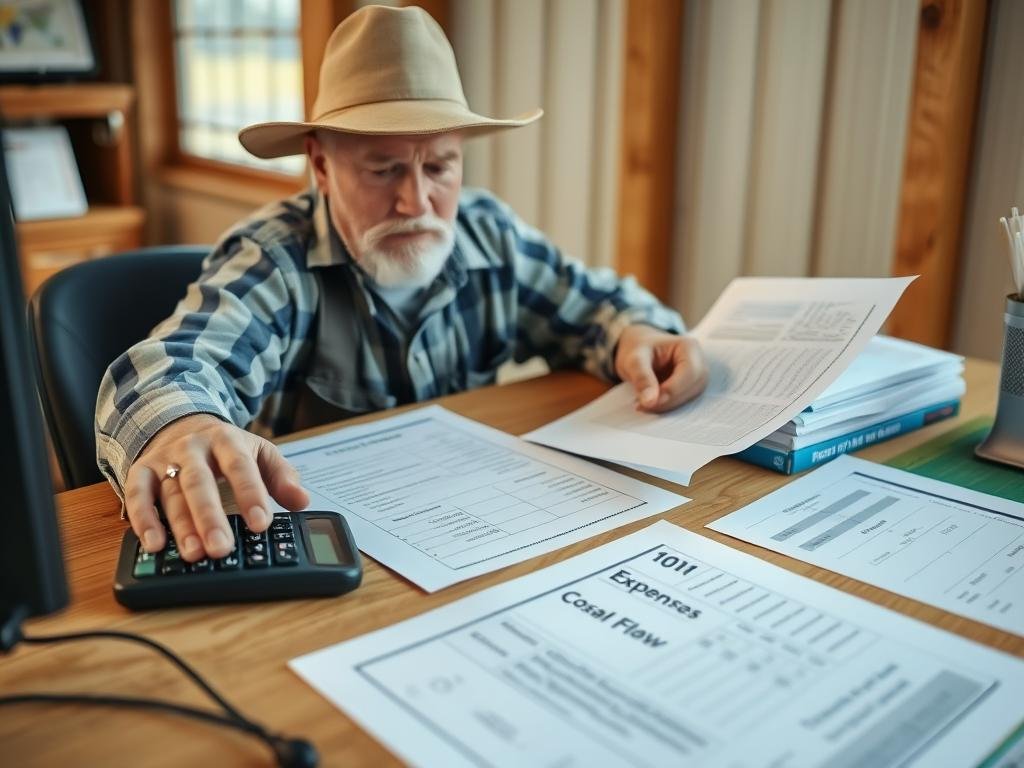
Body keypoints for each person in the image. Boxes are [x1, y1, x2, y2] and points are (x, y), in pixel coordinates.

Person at [95, 4, 708, 564]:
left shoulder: (487, 235)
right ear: (321, 165)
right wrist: (185, 426)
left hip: (472, 532)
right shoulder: (275, 258)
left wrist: (637, 334)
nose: (416, 200)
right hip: (324, 548)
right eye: (384, 168)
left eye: (440, 166)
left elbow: (600, 308)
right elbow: (168, 366)